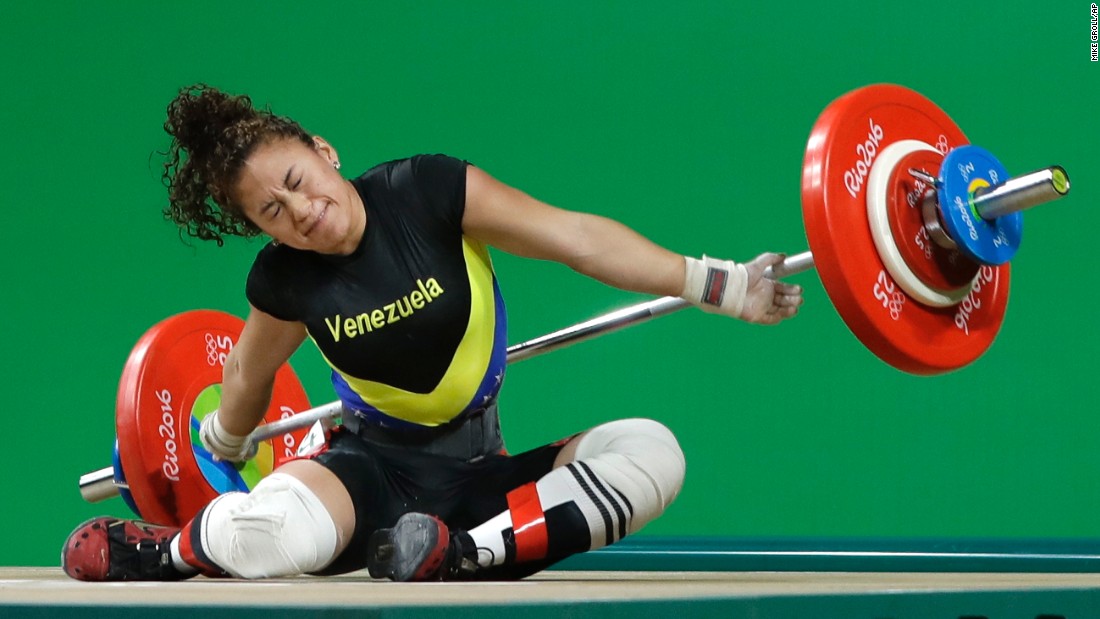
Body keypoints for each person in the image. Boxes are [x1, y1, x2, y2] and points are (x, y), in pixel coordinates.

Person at [61, 84, 803, 582]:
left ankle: (462, 555)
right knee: (279, 535)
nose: (299, 209)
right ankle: (177, 549)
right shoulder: (285, 281)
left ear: (323, 150)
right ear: (262, 231)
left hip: (482, 476)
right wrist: (219, 444)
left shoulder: (427, 191)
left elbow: (576, 237)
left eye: (294, 179)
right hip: (368, 473)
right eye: (271, 213)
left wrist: (720, 283)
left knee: (651, 451)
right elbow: (245, 384)